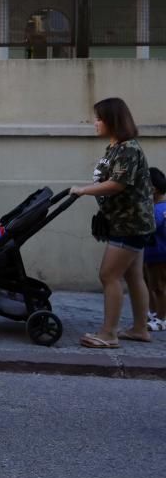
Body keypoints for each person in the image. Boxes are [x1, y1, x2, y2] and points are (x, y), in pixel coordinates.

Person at [71, 97, 155, 348]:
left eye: (99, 118)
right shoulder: (118, 147)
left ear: (112, 120)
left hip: (129, 224)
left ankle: (108, 334)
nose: (94, 123)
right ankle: (141, 329)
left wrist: (84, 190)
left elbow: (118, 184)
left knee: (108, 275)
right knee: (133, 276)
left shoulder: (128, 149)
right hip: (130, 222)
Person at [144, 167, 166, 331]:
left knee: (159, 287)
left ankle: (162, 318)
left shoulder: (158, 210)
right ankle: (153, 312)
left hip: (159, 255)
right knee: (152, 285)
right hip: (151, 255)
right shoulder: (156, 208)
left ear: (154, 188)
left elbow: (149, 228)